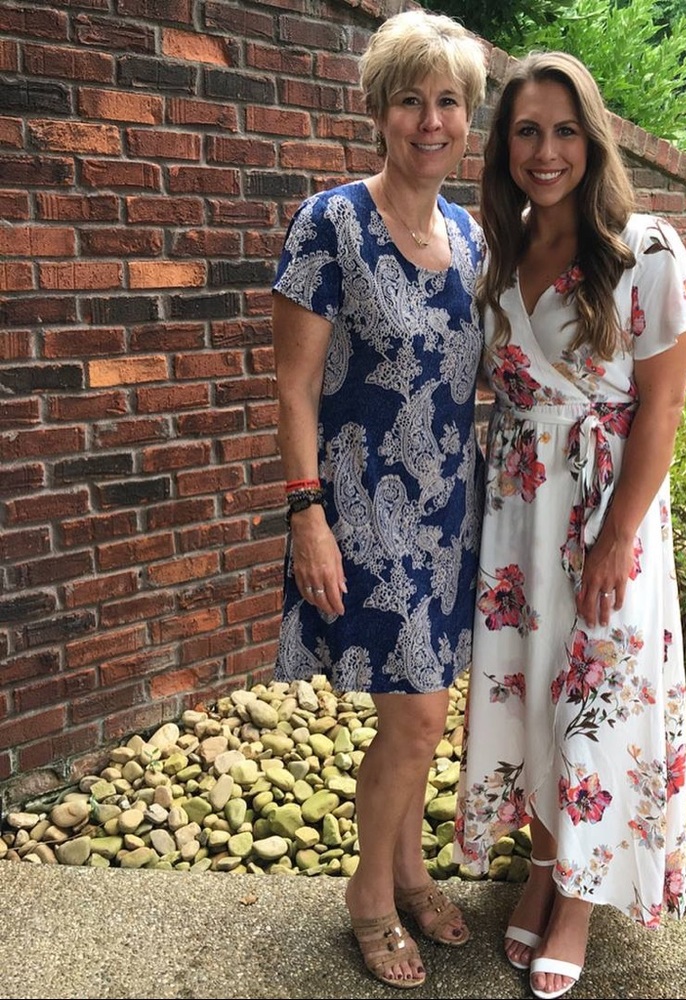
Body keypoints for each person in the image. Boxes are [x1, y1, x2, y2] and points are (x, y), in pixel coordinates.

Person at [456, 52, 686, 1000]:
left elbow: (664, 412)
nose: (546, 150)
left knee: (597, 701)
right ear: (505, 145)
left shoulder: (643, 248)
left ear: (593, 137)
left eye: (565, 130)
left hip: (610, 518)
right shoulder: (501, 255)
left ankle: (576, 899)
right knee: (526, 690)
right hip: (519, 518)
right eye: (527, 130)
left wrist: (615, 538)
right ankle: (538, 862)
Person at [270, 10, 487, 991]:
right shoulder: (332, 223)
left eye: (448, 100)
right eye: (412, 100)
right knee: (415, 717)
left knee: (422, 717)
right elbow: (290, 384)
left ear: (467, 116)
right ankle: (370, 891)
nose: (431, 119)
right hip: (362, 510)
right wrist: (306, 513)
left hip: (451, 512)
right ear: (379, 111)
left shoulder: (472, 237)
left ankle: (406, 867)